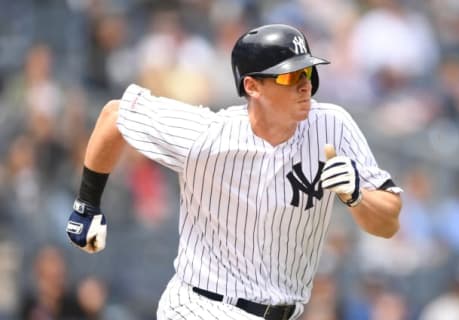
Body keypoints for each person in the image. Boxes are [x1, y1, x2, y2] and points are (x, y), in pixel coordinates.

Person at [66, 24, 402, 320]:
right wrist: (87, 205)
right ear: (252, 86)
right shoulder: (208, 134)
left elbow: (388, 223)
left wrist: (358, 197)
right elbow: (115, 115)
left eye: (309, 73)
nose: (304, 85)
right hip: (199, 306)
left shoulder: (333, 126)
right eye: (289, 75)